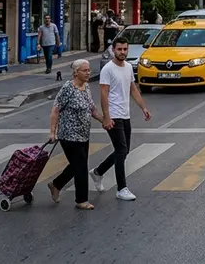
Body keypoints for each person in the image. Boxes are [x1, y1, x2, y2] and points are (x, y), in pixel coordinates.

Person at [91, 37, 152, 201]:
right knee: (121, 150)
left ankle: (98, 172)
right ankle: (121, 188)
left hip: (125, 115)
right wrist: (106, 117)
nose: (123, 52)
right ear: (113, 49)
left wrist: (143, 107)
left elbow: (133, 89)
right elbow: (103, 93)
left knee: (123, 151)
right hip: (114, 115)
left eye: (125, 49)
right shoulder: (108, 69)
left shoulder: (128, 68)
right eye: (120, 49)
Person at [48, 59, 106, 209]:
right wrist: (52, 132)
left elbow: (92, 109)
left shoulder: (86, 87)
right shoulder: (68, 88)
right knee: (80, 166)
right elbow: (55, 110)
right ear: (76, 72)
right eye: (85, 70)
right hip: (69, 135)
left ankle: (56, 184)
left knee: (76, 165)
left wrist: (104, 121)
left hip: (83, 135)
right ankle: (81, 200)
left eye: (89, 70)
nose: (88, 73)